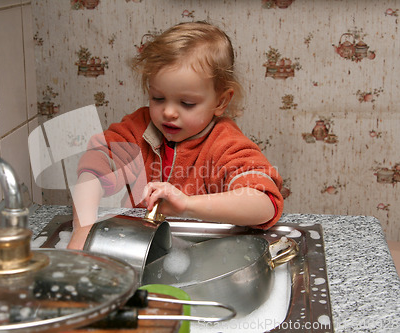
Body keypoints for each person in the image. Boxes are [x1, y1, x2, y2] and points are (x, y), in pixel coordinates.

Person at [67, 21, 283, 250]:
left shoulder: (225, 143)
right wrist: (83, 230)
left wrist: (187, 204)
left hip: (205, 255)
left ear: (220, 102)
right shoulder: (136, 130)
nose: (168, 112)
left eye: (187, 103)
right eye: (158, 98)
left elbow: (264, 203)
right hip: (135, 248)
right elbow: (93, 169)